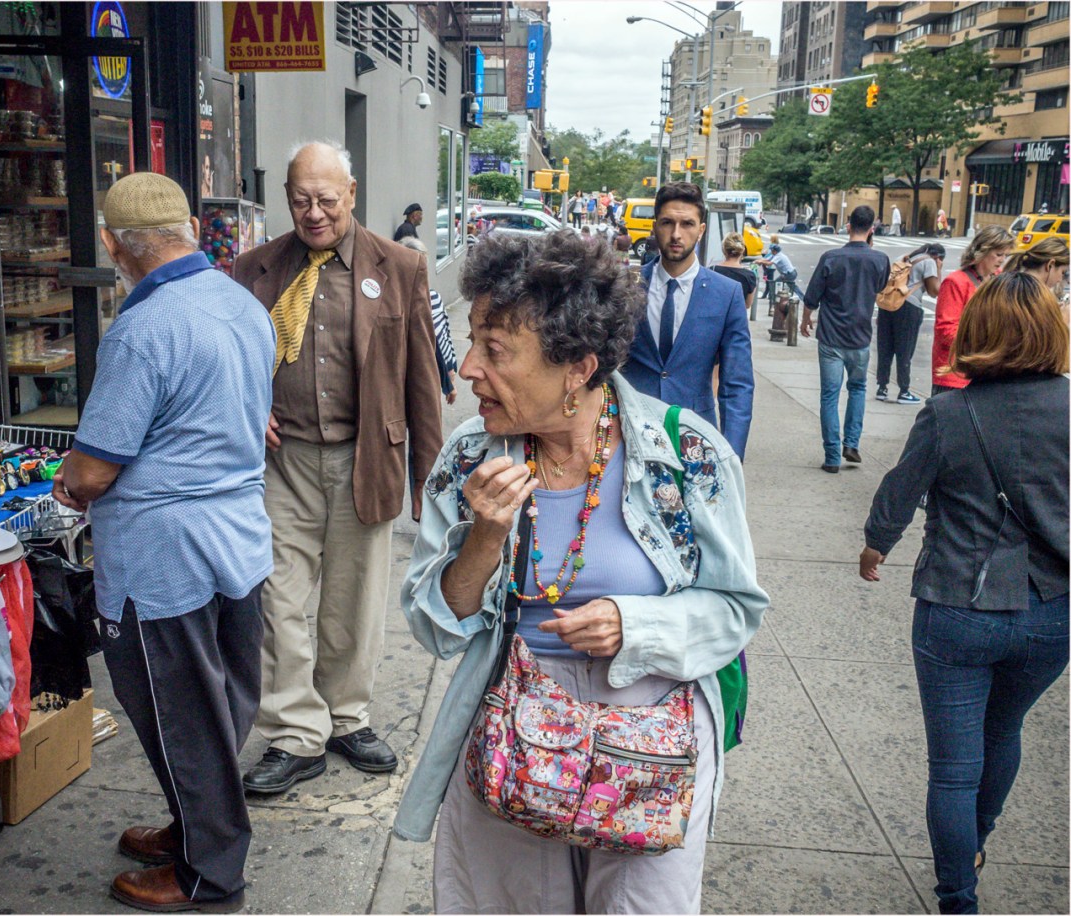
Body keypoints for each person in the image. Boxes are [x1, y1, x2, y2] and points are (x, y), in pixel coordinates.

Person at [393, 230, 769, 914]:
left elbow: (736, 608)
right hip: (514, 729)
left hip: (649, 743)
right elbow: (434, 625)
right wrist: (485, 535)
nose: (470, 368)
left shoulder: (686, 455)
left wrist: (638, 623)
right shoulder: (470, 457)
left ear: (576, 368)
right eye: (472, 341)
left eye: (496, 350)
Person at [52, 172, 276, 912]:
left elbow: (93, 467)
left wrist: (72, 482)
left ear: (116, 247)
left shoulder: (143, 330)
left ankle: (209, 876)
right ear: (187, 231)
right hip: (237, 543)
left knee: (181, 716)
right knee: (217, 706)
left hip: (164, 558)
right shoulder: (243, 305)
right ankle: (195, 830)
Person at [231, 141, 443, 795]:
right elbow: (229, 360)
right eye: (300, 200)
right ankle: (297, 733)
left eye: (326, 199)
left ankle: (346, 717)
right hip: (282, 461)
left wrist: (427, 482)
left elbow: (421, 379)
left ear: (352, 193)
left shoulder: (400, 266)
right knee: (276, 600)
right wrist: (244, 405)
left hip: (365, 458)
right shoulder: (254, 269)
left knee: (352, 604)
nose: (314, 213)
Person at [860, 272, 1069, 915]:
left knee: (953, 767)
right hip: (1051, 610)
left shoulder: (951, 411)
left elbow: (902, 487)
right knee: (1004, 730)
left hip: (958, 606)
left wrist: (877, 544)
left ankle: (959, 895)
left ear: (977, 332)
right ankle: (974, 842)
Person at [622, 182, 754, 460]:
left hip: (696, 438)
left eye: (687, 224)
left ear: (701, 230)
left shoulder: (726, 294)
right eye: (668, 223)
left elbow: (737, 384)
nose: (676, 234)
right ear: (655, 226)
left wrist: (731, 455)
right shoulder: (625, 286)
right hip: (629, 433)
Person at [800, 205, 891, 473]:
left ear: (848, 225)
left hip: (830, 337)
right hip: (860, 338)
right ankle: (851, 443)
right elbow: (881, 287)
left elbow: (812, 296)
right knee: (858, 389)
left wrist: (806, 319)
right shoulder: (880, 259)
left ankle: (831, 456)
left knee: (829, 395)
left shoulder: (831, 257)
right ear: (872, 228)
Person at [931, 225, 1015, 396]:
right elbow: (946, 331)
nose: (1002, 260)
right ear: (982, 251)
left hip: (987, 372)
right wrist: (987, 341)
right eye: (998, 254)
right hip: (955, 375)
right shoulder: (956, 282)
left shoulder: (998, 278)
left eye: (1005, 255)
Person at [877, 243, 945, 405]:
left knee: (885, 346)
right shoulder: (929, 262)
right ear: (938, 256)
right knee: (904, 349)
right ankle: (904, 391)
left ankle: (882, 388)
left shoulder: (904, 258)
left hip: (888, 304)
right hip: (909, 307)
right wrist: (938, 269)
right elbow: (934, 291)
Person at [401, 237, 459, 404]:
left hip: (441, 372)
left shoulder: (433, 297)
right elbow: (432, 343)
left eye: (423, 266)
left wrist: (451, 367)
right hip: (417, 380)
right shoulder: (398, 303)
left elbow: (444, 334)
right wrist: (447, 380)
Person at [1002, 236, 1069, 294]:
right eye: (1062, 272)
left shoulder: (1015, 283)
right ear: (1050, 265)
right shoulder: (1032, 294)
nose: (1060, 280)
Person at [711, 232, 756, 311]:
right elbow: (747, 305)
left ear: (724, 250)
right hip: (735, 320)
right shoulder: (749, 276)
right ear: (742, 251)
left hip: (714, 318)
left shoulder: (712, 270)